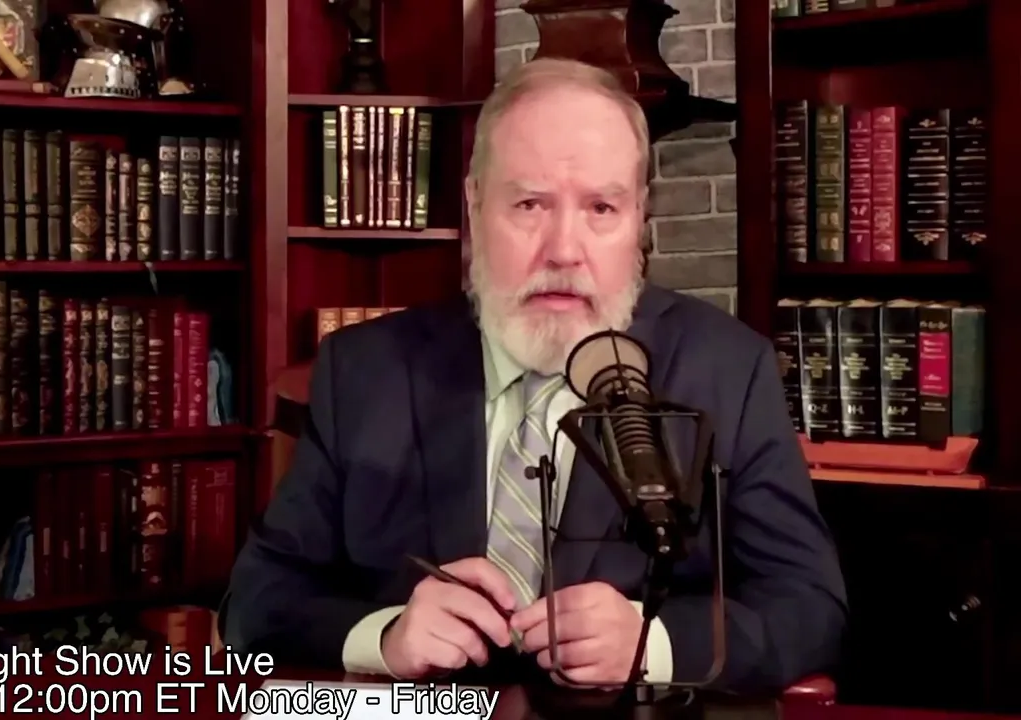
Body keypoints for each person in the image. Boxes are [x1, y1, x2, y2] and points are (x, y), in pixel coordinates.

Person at [222, 58, 847, 691]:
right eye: (529, 204)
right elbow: (256, 601)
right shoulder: (364, 371)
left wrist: (652, 642)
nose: (564, 250)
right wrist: (385, 637)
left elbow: (810, 606)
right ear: (474, 206)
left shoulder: (728, 370)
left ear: (639, 221)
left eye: (601, 207)